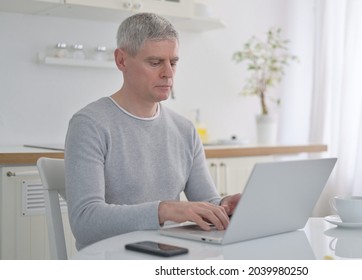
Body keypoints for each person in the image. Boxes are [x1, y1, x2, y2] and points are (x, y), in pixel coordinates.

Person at [64, 12, 241, 250]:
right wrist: (164, 209)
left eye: (174, 62)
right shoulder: (89, 124)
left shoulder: (185, 130)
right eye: (155, 62)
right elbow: (85, 221)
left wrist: (224, 206)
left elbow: (206, 201)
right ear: (121, 60)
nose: (168, 73)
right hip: (109, 261)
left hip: (168, 258)